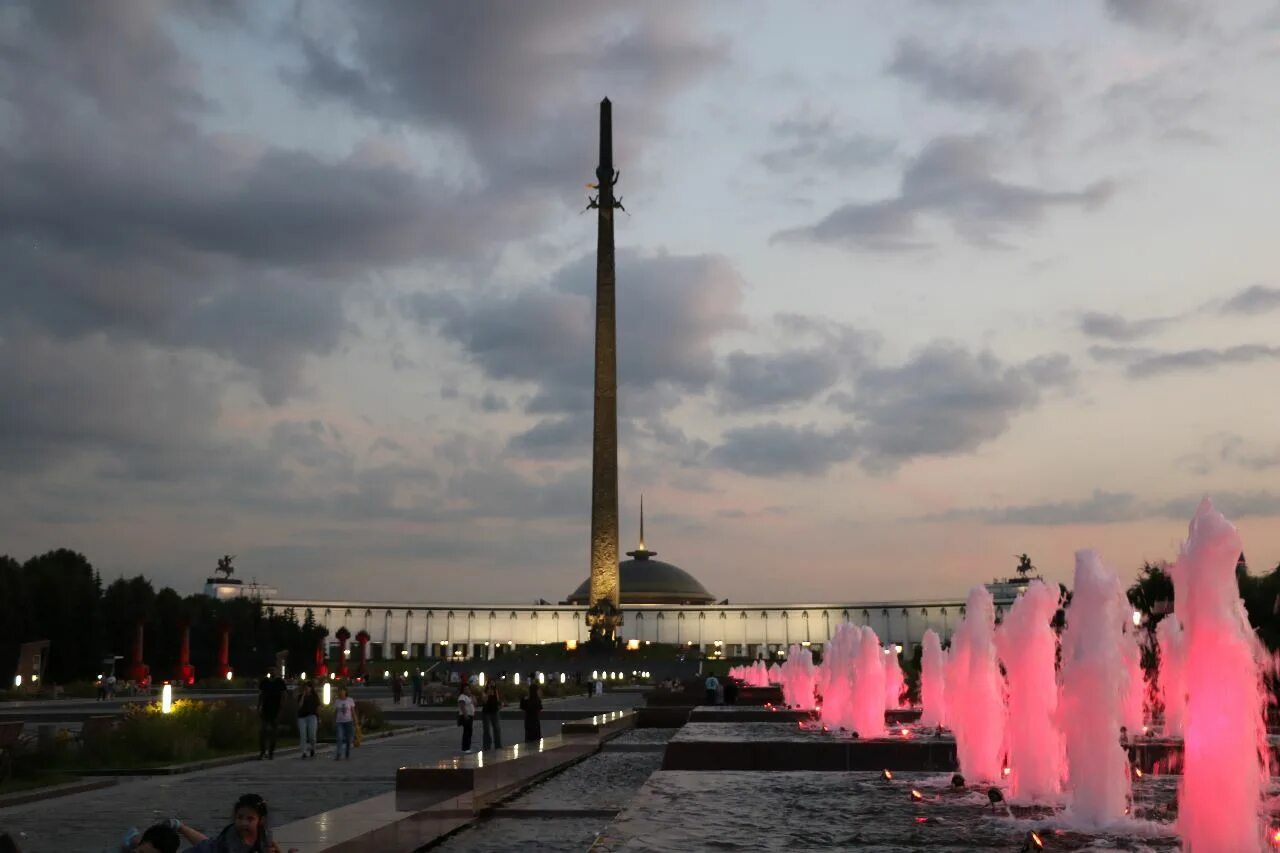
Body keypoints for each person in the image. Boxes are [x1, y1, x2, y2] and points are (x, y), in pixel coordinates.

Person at [189, 793, 297, 853]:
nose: (243, 823)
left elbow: (270, 846)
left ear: (261, 820)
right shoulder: (233, 841)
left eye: (250, 819)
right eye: (240, 817)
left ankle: (178, 826)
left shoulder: (264, 833)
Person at [256, 673, 286, 760]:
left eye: (273, 670)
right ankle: (262, 752)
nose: (271, 672)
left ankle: (271, 752)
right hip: (265, 710)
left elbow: (284, 695)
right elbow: (261, 694)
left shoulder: (280, 682)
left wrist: (281, 709)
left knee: (273, 732)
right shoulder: (264, 682)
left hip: (275, 710)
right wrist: (259, 707)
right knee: (263, 732)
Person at [295, 682, 319, 759]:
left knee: (312, 736)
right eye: (305, 687)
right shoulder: (300, 696)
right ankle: (304, 752)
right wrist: (303, 696)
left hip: (312, 717)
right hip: (302, 717)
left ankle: (312, 748)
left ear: (311, 688)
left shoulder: (314, 696)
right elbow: (299, 706)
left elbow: (318, 707)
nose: (306, 689)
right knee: (303, 735)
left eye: (308, 687)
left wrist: (319, 717)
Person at [332, 687, 357, 760]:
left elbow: (353, 711)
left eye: (343, 692)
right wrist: (333, 721)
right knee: (339, 737)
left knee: (348, 739)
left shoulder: (350, 700)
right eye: (340, 692)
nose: (342, 693)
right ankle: (339, 753)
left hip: (348, 721)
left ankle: (347, 752)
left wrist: (355, 720)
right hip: (339, 722)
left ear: (346, 692)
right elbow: (335, 712)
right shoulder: (337, 701)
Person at [480, 683, 503, 751]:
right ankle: (487, 746)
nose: (491, 688)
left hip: (494, 712)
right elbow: (484, 701)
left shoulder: (495, 692)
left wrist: (500, 705)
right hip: (486, 713)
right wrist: (488, 694)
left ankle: (498, 745)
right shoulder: (484, 692)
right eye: (490, 686)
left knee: (497, 729)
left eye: (492, 686)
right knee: (486, 729)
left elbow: (498, 701)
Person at [457, 684, 475, 754]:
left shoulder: (469, 697)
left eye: (468, 689)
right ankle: (465, 748)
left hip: (470, 715)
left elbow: (475, 703)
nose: (467, 690)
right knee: (467, 731)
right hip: (466, 716)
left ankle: (468, 747)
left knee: (469, 731)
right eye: (466, 689)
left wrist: (472, 696)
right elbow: (462, 706)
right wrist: (465, 715)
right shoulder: (462, 697)